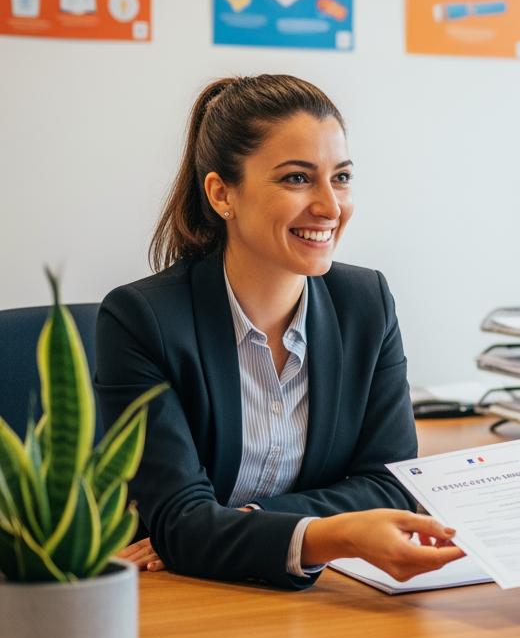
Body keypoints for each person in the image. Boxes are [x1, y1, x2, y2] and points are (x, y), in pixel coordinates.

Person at [96, 75, 465, 590]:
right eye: (297, 179)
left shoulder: (367, 304)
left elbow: (389, 485)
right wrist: (336, 533)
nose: (330, 207)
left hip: (310, 601)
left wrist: (237, 519)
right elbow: (178, 522)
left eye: (341, 177)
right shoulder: (143, 320)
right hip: (184, 597)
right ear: (222, 194)